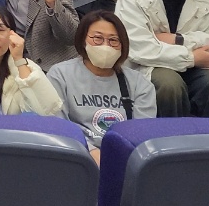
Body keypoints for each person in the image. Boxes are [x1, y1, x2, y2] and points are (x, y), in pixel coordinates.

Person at [49, 10, 156, 160]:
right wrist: (90, 152)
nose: (106, 46)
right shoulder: (60, 75)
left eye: (113, 40)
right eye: (98, 38)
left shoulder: (139, 83)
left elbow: (141, 134)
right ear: (83, 40)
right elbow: (59, 126)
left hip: (124, 158)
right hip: (76, 156)